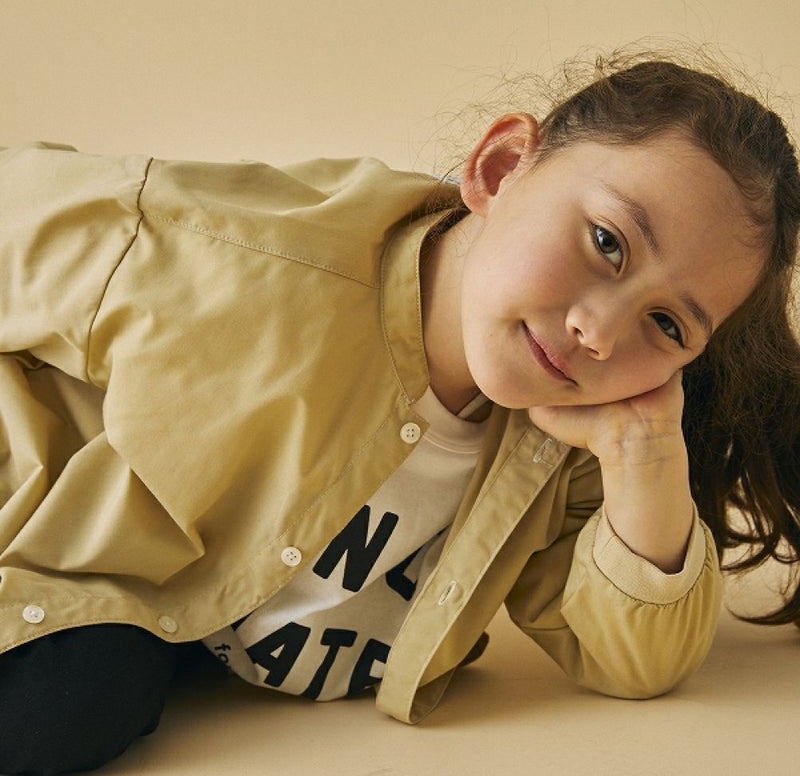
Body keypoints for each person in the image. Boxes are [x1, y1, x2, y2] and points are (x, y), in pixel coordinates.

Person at [1, 51, 799, 774]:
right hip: (39, 555)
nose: (600, 332)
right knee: (77, 695)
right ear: (501, 168)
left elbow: (631, 661)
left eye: (668, 325)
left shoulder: (569, 440)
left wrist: (645, 453)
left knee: (94, 685)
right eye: (607, 242)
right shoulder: (231, 259)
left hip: (144, 629)